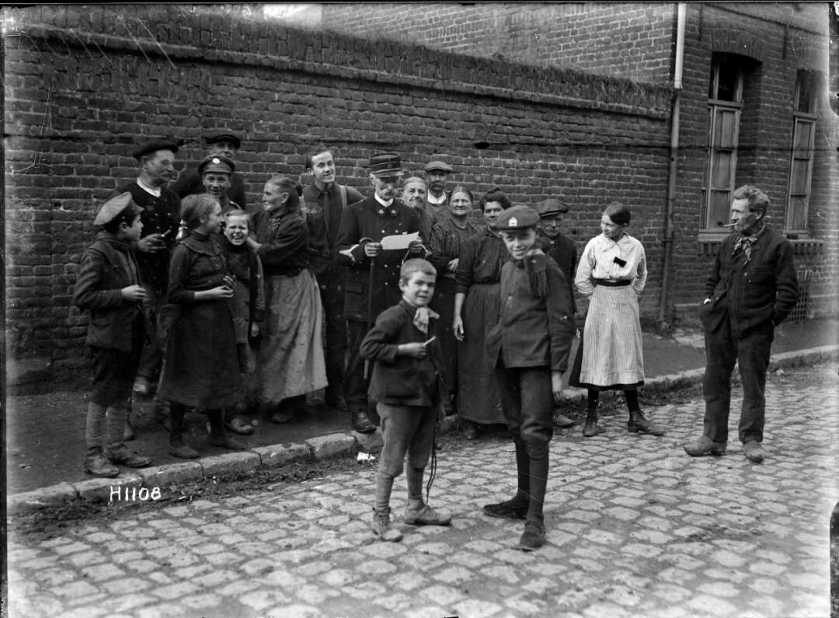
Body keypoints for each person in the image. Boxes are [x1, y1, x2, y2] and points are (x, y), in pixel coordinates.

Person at [684, 185, 798, 464]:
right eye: (732, 210)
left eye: (738, 211)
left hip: (754, 327)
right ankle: (713, 438)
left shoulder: (778, 246)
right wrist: (708, 305)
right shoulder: (729, 243)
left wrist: (768, 321)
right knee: (714, 381)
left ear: (757, 214)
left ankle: (751, 440)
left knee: (752, 385)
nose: (732, 216)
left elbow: (788, 292)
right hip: (721, 324)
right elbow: (714, 279)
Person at [484, 206, 575, 551]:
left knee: (535, 435)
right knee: (516, 429)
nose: (517, 244)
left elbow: (561, 320)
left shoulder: (545, 267)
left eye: (523, 236)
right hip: (508, 360)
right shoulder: (507, 268)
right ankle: (522, 499)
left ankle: (535, 519)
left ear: (535, 234)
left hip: (536, 363)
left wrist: (556, 372)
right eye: (510, 238)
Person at [360, 258, 452, 542]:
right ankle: (381, 516)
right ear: (403, 285)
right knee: (392, 459)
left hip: (423, 398)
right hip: (398, 400)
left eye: (431, 285)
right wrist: (402, 350)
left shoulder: (428, 316)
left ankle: (415, 506)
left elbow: (435, 359)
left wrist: (439, 399)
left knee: (420, 455)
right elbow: (368, 347)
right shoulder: (393, 316)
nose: (425, 289)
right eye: (419, 284)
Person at [336, 152, 427, 433]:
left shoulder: (408, 214)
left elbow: (420, 249)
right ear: (372, 179)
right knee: (361, 350)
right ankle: (357, 407)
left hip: (394, 295)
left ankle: (385, 403)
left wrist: (415, 249)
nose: (389, 187)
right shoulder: (356, 211)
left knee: (393, 348)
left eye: (393, 181)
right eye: (384, 181)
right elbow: (338, 251)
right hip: (364, 294)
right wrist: (362, 251)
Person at [158, 193, 247, 458]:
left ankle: (218, 434)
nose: (222, 218)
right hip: (190, 327)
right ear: (202, 218)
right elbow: (173, 293)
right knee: (185, 379)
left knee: (218, 375)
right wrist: (206, 295)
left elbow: (221, 273)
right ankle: (176, 439)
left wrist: (226, 281)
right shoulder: (183, 251)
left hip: (218, 322)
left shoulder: (216, 244)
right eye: (218, 214)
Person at [73, 193, 154, 477]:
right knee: (102, 394)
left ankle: (116, 447)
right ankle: (93, 455)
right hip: (107, 338)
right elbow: (83, 297)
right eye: (138, 220)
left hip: (128, 335)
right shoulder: (97, 254)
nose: (142, 225)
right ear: (123, 225)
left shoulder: (125, 248)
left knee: (122, 393)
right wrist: (122, 294)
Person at [572, 201, 664, 438]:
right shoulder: (594, 245)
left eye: (610, 225)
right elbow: (581, 278)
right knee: (597, 353)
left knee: (627, 353)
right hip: (601, 300)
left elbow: (642, 273)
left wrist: (634, 292)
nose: (605, 228)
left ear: (624, 226)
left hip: (626, 301)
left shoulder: (635, 247)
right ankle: (591, 418)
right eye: (603, 222)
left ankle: (635, 416)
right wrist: (598, 297)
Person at [249, 175, 328, 424]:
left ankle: (293, 402)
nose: (263, 198)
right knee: (271, 340)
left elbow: (272, 254)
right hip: (269, 285)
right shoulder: (261, 216)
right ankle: (268, 398)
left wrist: (250, 243)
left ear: (284, 198)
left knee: (294, 342)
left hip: (293, 286)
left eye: (268, 194)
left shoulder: (296, 223)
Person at [117, 139, 182, 438]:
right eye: (164, 163)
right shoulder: (127, 194)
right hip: (137, 279)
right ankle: (124, 417)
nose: (171, 168)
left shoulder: (171, 197)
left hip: (167, 280)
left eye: (172, 163)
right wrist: (138, 244)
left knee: (169, 344)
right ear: (145, 163)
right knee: (135, 344)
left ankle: (165, 409)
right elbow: (108, 237)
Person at [301, 145, 365, 412]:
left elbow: (368, 218)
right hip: (311, 274)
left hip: (340, 274)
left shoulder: (347, 195)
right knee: (307, 332)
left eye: (330, 164)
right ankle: (300, 397)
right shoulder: (303, 197)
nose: (327, 169)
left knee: (339, 335)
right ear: (310, 170)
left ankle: (335, 392)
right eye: (320, 165)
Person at [452, 188, 511, 439]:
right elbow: (462, 281)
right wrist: (457, 315)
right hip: (477, 306)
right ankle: (471, 419)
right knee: (475, 359)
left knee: (503, 361)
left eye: (497, 210)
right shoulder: (472, 243)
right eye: (488, 211)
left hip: (507, 306)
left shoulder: (514, 241)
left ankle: (504, 418)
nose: (492, 215)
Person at [428, 185, 484, 417]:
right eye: (456, 201)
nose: (460, 204)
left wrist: (463, 261)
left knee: (468, 342)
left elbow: (481, 257)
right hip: (446, 291)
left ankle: (466, 396)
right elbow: (433, 258)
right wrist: (453, 263)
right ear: (449, 204)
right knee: (447, 344)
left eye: (464, 201)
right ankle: (447, 395)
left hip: (469, 291)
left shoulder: (476, 231)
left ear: (471, 204)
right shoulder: (440, 229)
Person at [536, 198, 578, 429]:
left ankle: (555, 411)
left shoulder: (569, 246)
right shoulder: (533, 244)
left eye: (557, 220)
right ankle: (540, 411)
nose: (553, 225)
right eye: (548, 220)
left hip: (560, 311)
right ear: (540, 222)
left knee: (558, 359)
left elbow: (568, 281)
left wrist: (571, 314)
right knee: (540, 360)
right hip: (539, 310)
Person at [222, 209, 265, 435]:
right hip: (220, 319)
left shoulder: (252, 256)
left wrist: (257, 319)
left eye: (242, 228)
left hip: (244, 319)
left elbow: (259, 289)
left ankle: (234, 414)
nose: (237, 232)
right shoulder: (217, 252)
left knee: (242, 367)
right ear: (224, 229)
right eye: (233, 227)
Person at [172, 132, 248, 212]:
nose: (226, 150)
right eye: (221, 146)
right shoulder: (192, 175)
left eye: (230, 147)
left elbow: (240, 210)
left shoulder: (237, 180)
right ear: (211, 149)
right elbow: (173, 199)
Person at [423, 160, 453, 227]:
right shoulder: (421, 200)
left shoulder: (452, 202)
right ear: (427, 177)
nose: (437, 179)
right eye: (433, 174)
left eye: (441, 175)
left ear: (447, 178)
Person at [401, 175, 432, 240]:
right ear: (402, 194)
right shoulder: (392, 218)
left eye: (421, 192)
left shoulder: (430, 221)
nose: (416, 195)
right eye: (411, 191)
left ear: (426, 196)